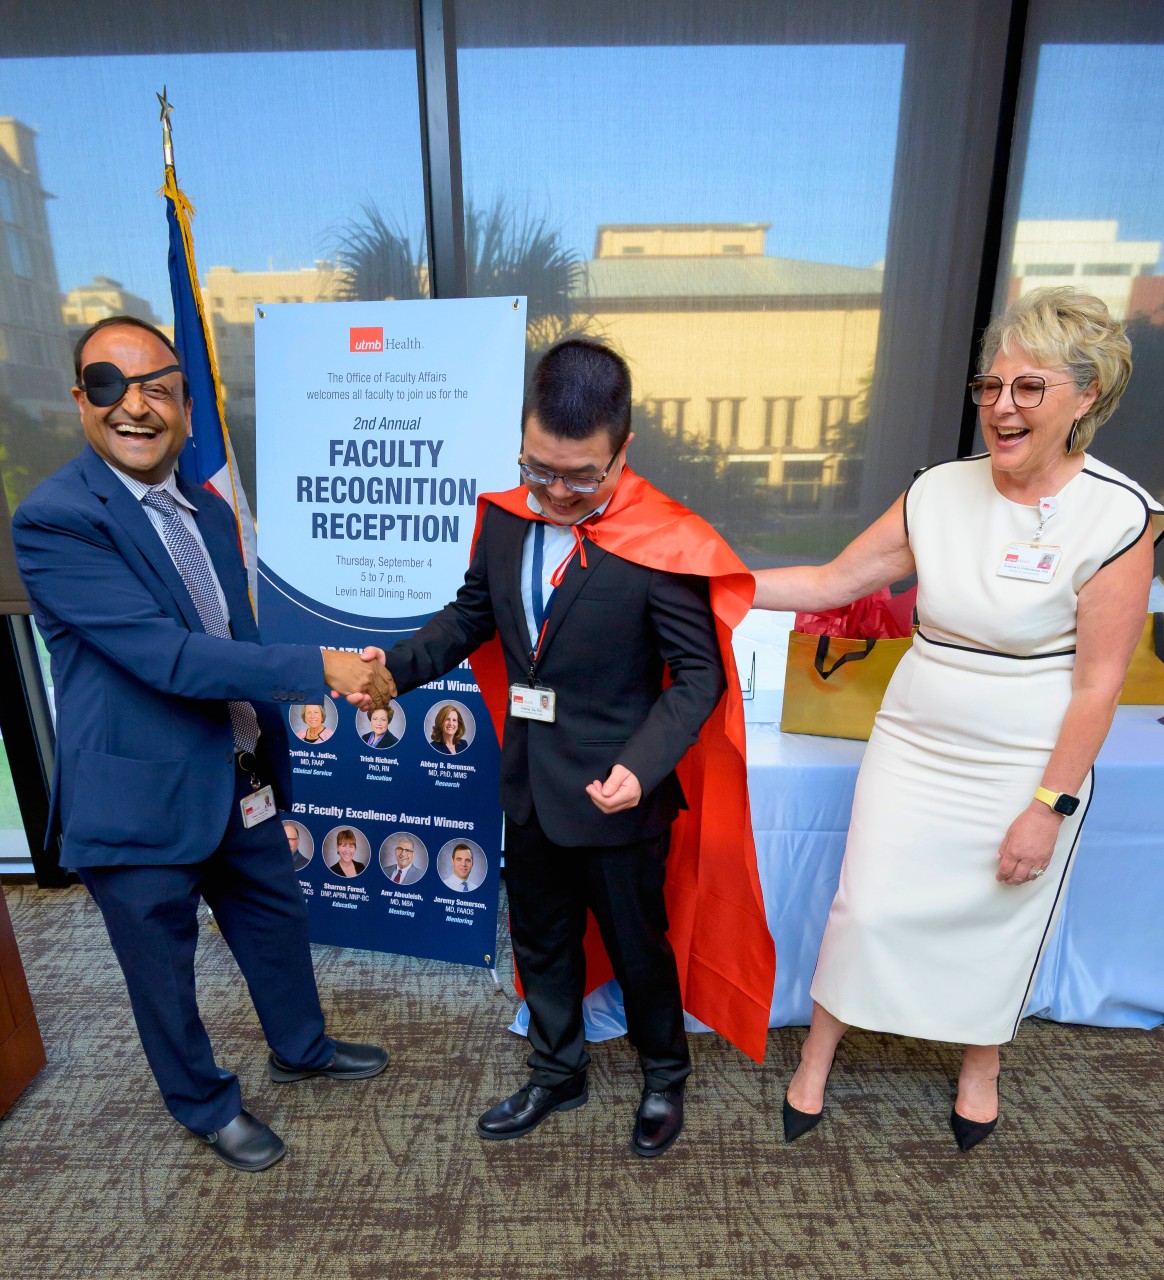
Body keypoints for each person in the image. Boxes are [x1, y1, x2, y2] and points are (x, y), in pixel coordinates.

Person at [753, 288, 1163, 1151]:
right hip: (918, 739)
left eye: (1029, 388)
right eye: (991, 387)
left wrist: (1046, 807)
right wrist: (705, 581)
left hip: (1029, 757)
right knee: (865, 907)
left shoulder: (1118, 515)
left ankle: (982, 1065)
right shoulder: (937, 492)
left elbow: (1097, 687)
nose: (1001, 407)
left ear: (1086, 397)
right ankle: (818, 1054)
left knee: (999, 914)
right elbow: (832, 584)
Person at [12, 316, 395, 1172]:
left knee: (272, 921)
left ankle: (302, 1049)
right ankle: (205, 1105)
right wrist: (323, 668)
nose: (135, 406)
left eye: (157, 387)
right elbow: (166, 655)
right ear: (81, 400)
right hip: (139, 796)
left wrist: (281, 713)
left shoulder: (209, 507)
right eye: (110, 386)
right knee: (164, 973)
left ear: (187, 405)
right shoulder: (57, 520)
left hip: (236, 767)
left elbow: (230, 627)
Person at [379, 338, 773, 1159]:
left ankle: (665, 1075)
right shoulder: (502, 516)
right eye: (539, 468)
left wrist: (643, 765)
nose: (556, 493)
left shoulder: (665, 542)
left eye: (581, 476)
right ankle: (557, 1071)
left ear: (622, 451)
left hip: (618, 793)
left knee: (638, 950)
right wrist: (395, 671)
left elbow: (698, 678)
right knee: (542, 940)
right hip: (529, 782)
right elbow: (469, 619)